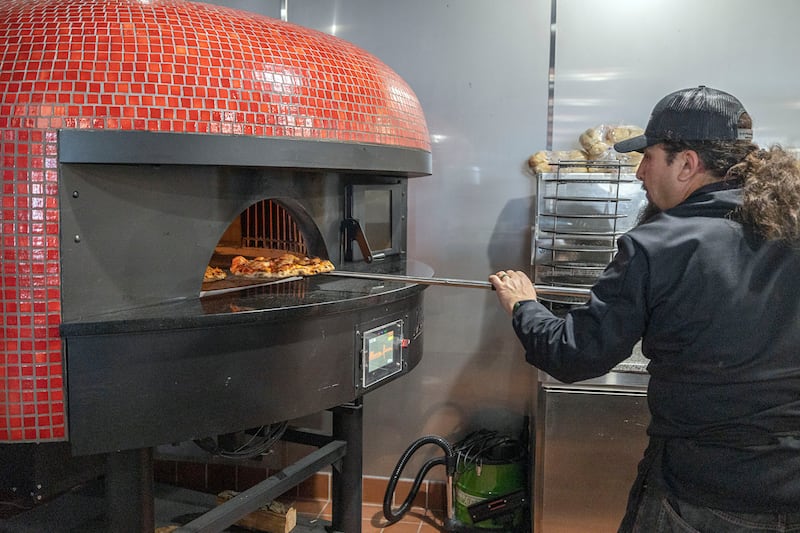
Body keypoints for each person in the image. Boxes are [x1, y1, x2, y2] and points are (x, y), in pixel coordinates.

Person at [489, 85, 800, 532]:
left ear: (687, 163)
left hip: (703, 493)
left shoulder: (659, 244)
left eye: (648, 157)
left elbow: (573, 355)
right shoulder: (789, 224)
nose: (638, 173)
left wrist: (524, 305)